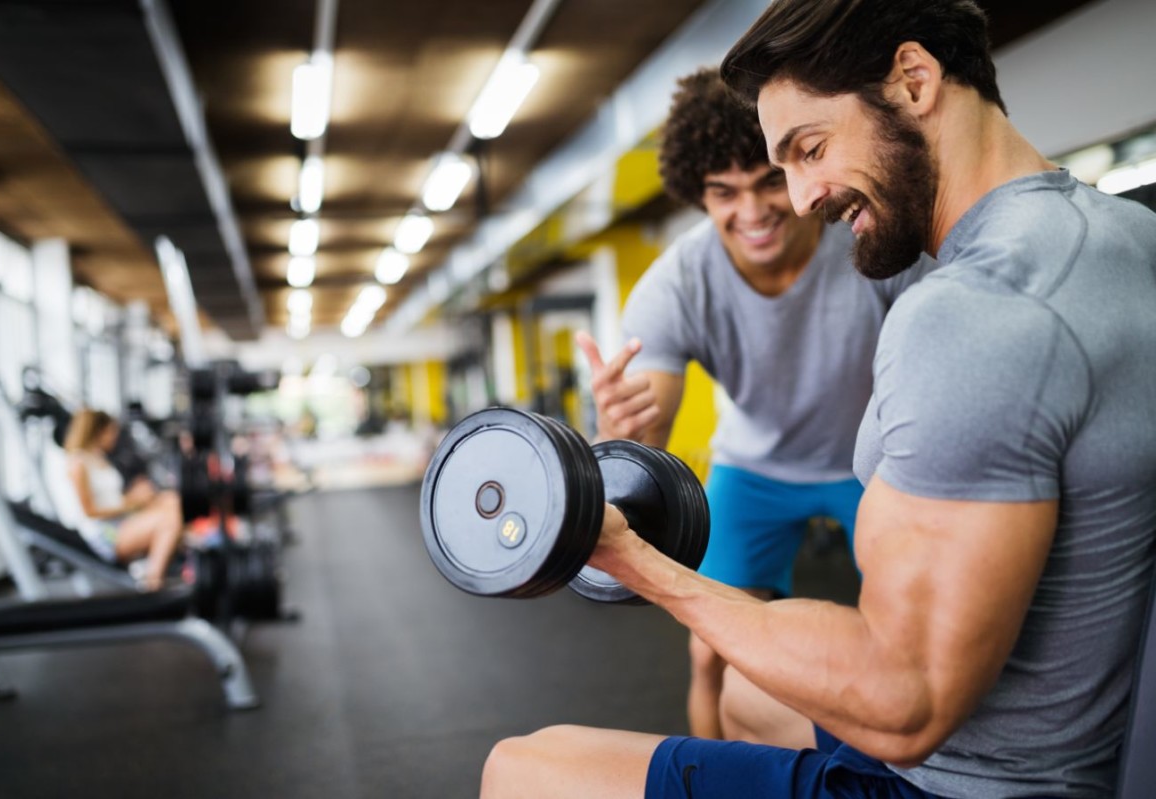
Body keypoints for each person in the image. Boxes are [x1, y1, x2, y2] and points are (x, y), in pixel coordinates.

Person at [481, 0, 1156, 796]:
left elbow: (908, 704)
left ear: (914, 80)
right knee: (740, 685)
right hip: (1068, 720)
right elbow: (647, 419)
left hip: (961, 775)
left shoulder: (969, 309)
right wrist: (628, 424)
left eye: (808, 150)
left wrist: (633, 561)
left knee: (523, 766)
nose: (798, 201)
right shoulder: (1128, 234)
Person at [576, 66, 932, 740]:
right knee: (710, 648)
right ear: (698, 193)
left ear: (796, 169)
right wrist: (626, 421)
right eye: (723, 192)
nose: (753, 210)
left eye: (769, 180)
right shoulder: (675, 284)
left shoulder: (870, 239)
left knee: (910, 644)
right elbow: (651, 422)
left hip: (874, 464)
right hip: (755, 468)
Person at [64, 408, 185, 590]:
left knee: (172, 500)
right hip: (105, 534)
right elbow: (90, 511)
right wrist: (132, 503)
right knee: (171, 519)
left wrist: (136, 495)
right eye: (111, 431)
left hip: (120, 522)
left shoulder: (98, 457)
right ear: (97, 431)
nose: (114, 437)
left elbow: (110, 499)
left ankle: (180, 561)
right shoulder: (78, 464)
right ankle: (153, 583)